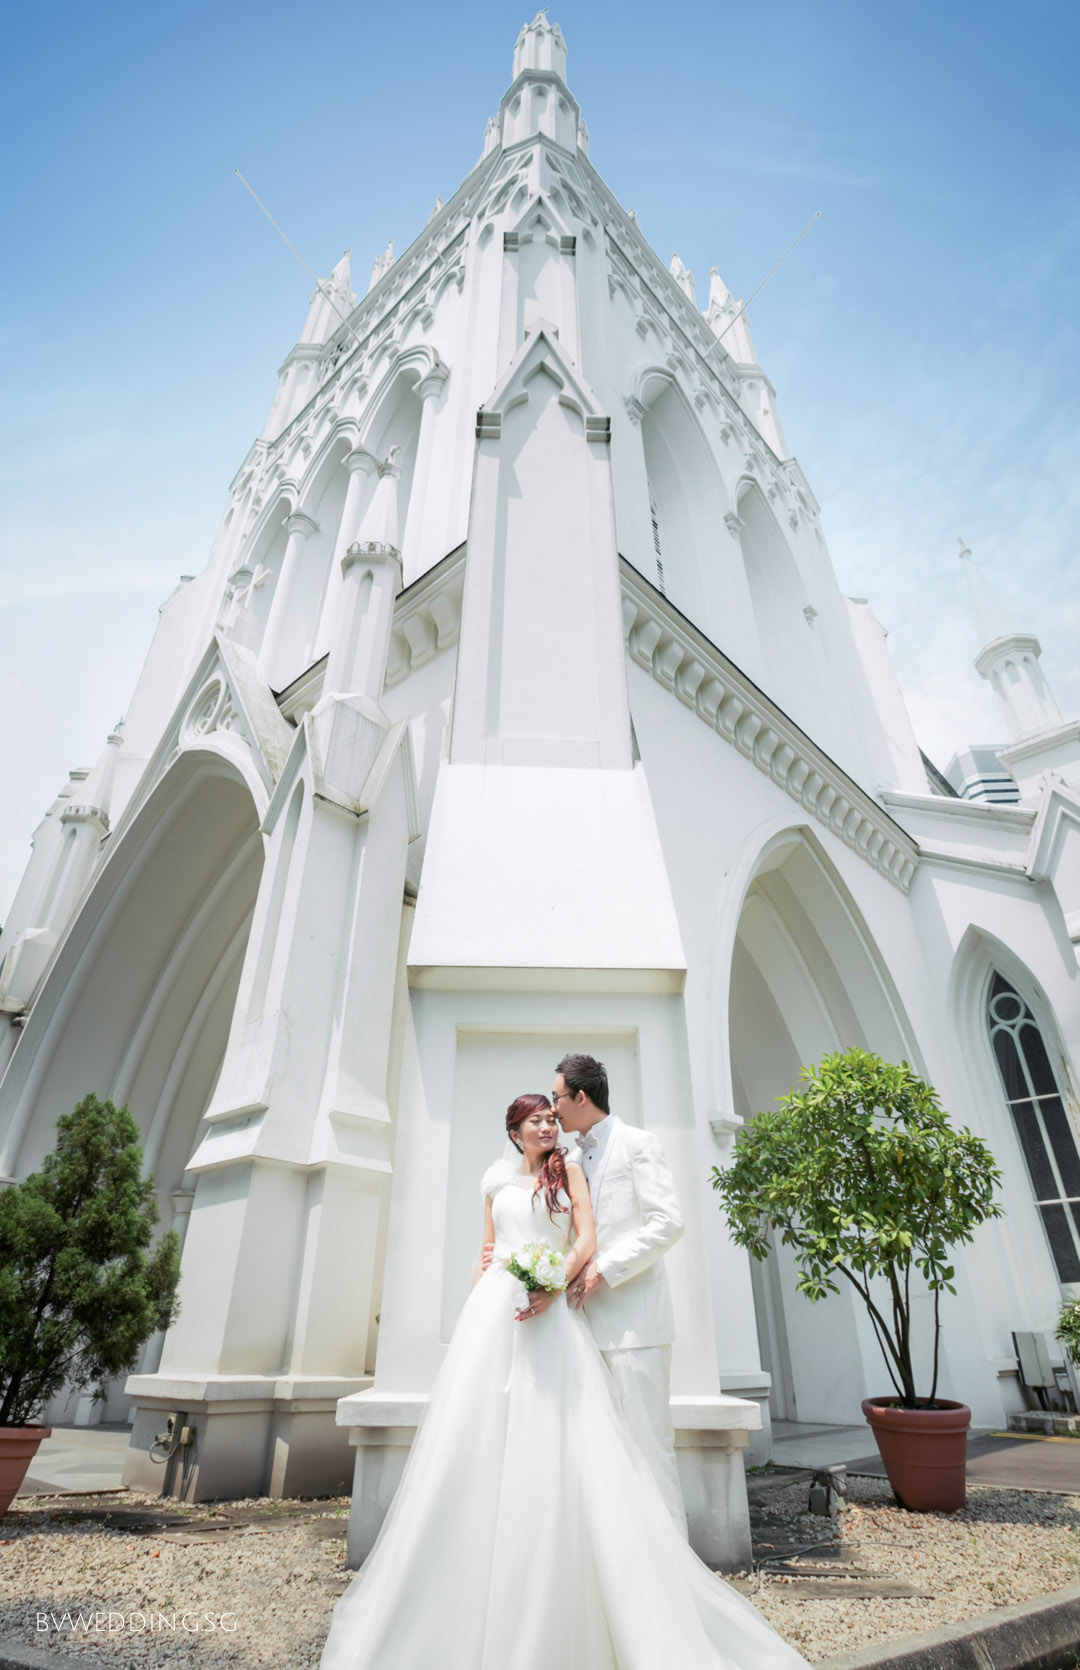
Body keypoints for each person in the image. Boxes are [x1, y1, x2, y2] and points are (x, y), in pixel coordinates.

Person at [319, 1092, 810, 1670]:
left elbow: (585, 1240)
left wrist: (553, 1282)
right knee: (475, 1438)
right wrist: (479, 1295)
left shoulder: (569, 1169)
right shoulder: (493, 1181)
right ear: (516, 1130)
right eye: (538, 1120)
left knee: (559, 1435)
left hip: (551, 1312)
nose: (549, 1125)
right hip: (493, 1314)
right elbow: (486, 1248)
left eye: (553, 1117)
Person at [552, 1051, 687, 1533]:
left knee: (649, 1449)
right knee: (601, 1458)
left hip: (636, 1330)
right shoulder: (564, 1159)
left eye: (558, 1098)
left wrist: (603, 1269)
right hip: (581, 1330)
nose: (554, 1109)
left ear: (581, 1096)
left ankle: (672, 1579)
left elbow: (668, 1222)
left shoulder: (637, 1144)